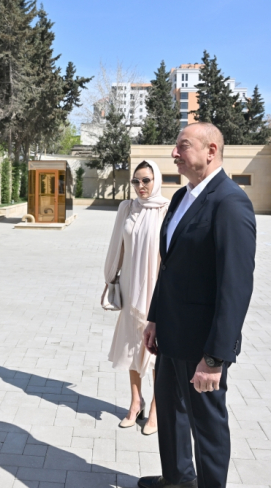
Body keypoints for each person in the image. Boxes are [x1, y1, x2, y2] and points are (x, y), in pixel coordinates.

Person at [139, 123, 256, 488]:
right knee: (171, 416)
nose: (174, 154)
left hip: (202, 345)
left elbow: (235, 288)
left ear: (211, 150)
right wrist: (155, 319)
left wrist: (216, 358)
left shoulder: (230, 202)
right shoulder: (180, 198)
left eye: (183, 146)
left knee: (207, 429)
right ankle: (177, 480)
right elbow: (169, 267)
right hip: (170, 335)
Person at [103, 160, 169, 436]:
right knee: (132, 347)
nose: (141, 186)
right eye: (136, 181)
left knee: (155, 353)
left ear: (157, 181)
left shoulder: (167, 209)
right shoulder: (126, 208)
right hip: (130, 288)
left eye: (146, 180)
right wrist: (110, 279)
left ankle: (156, 408)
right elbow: (115, 245)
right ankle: (135, 403)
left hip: (156, 290)